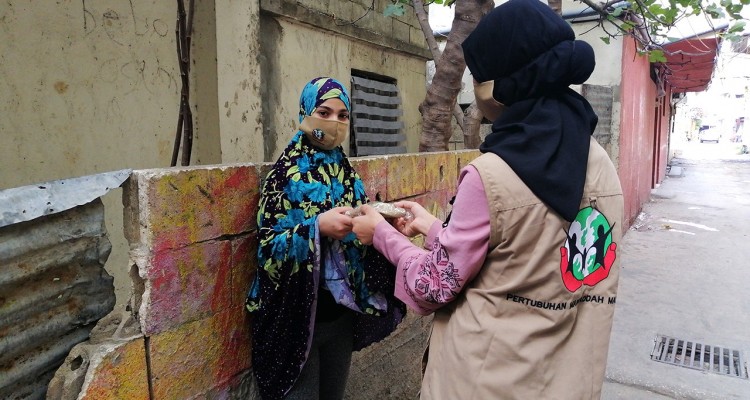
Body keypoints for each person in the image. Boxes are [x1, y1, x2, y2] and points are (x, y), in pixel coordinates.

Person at [351, 0, 624, 398]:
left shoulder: (492, 174)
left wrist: (381, 234)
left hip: (486, 383)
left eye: (477, 77)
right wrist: (433, 228)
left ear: (500, 86)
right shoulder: (600, 165)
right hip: (568, 383)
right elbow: (521, 254)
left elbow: (434, 286)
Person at [246, 77, 405, 400]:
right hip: (297, 318)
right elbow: (267, 250)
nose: (334, 122)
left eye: (342, 115)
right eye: (324, 112)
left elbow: (361, 237)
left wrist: (382, 226)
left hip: (341, 316)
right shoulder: (284, 176)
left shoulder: (347, 174)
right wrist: (316, 227)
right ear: (306, 112)